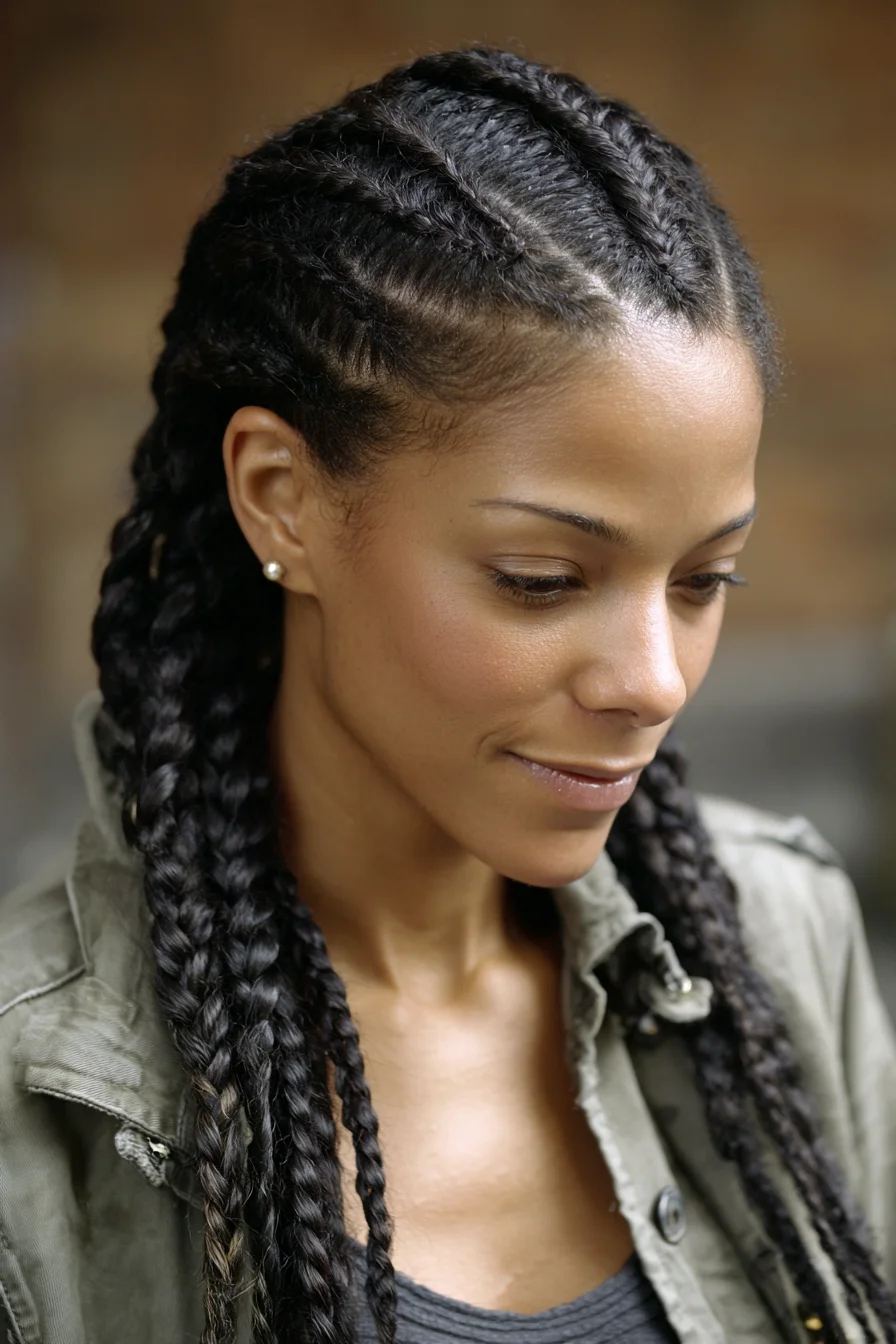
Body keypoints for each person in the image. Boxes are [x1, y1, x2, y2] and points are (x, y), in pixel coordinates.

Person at [0, 45, 893, 1344]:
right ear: (281, 498)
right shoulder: (36, 1113)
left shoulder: (784, 947)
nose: (652, 682)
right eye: (541, 577)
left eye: (708, 582)